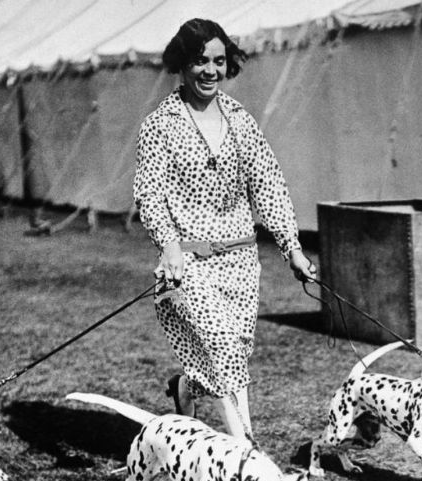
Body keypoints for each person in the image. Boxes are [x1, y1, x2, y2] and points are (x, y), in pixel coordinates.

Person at [133, 18, 316, 440]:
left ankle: (185, 387)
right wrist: (170, 248)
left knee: (233, 354)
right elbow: (150, 195)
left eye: (218, 61)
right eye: (200, 62)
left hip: (241, 263)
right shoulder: (159, 125)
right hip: (188, 266)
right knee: (222, 347)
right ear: (182, 63)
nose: (211, 71)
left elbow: (267, 183)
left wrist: (292, 248)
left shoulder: (240, 119)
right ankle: (245, 450)